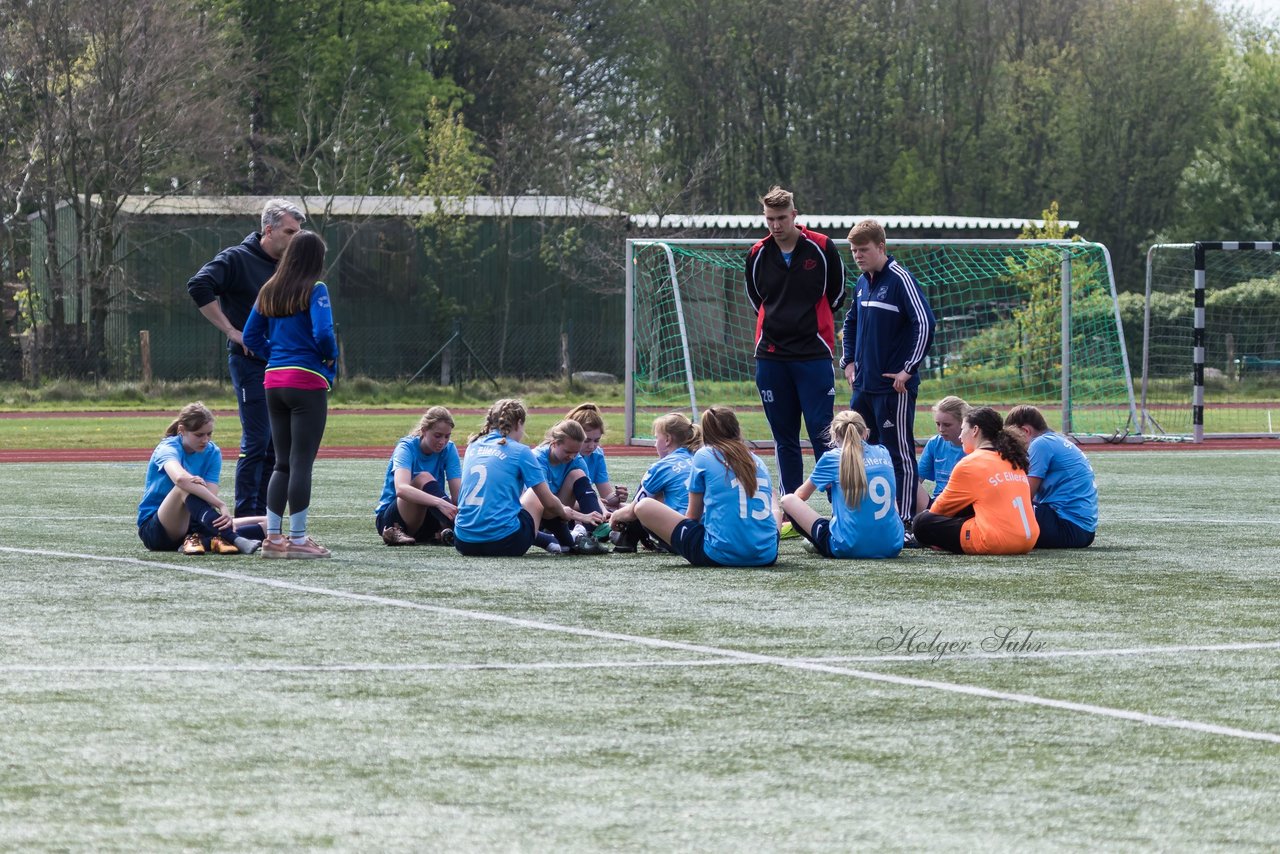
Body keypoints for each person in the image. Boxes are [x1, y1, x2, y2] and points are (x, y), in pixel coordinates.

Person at [187, 199, 305, 518]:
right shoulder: (237, 258)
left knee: (278, 445)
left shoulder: (290, 267)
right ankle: (244, 516)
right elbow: (199, 286)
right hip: (250, 364)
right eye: (290, 231)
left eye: (299, 232)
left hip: (284, 367)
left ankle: (267, 516)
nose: (296, 238)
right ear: (268, 229)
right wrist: (231, 330)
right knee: (257, 439)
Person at [745, 186, 846, 497]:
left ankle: (836, 504)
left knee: (822, 434)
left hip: (813, 354)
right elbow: (756, 298)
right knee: (784, 438)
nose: (776, 226)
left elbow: (837, 295)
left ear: (795, 215)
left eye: (781, 218)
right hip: (771, 357)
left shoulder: (822, 246)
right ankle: (790, 510)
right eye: (770, 219)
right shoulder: (757, 253)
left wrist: (807, 322)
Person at [241, 230, 337, 559]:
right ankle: (298, 540)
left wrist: (275, 355)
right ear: (315, 259)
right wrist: (328, 357)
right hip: (306, 379)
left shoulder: (269, 290)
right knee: (301, 463)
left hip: (272, 381)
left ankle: (273, 539)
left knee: (281, 463)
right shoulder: (315, 289)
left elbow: (251, 336)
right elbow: (324, 333)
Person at [840, 218, 935, 528]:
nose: (858, 255)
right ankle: (864, 515)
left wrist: (908, 370)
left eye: (863, 249)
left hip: (893, 389)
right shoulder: (861, 281)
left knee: (899, 454)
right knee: (858, 450)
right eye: (853, 250)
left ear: (881, 247)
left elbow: (925, 323)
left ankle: (906, 521)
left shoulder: (900, 279)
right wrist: (849, 361)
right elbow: (850, 323)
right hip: (863, 387)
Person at [632, 406, 780, 567]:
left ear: (706, 433)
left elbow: (693, 517)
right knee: (773, 501)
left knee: (644, 506)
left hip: (719, 554)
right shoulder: (758, 460)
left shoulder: (704, 455)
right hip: (767, 555)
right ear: (737, 429)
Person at [453, 399, 581, 557]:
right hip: (504, 543)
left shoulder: (472, 446)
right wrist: (566, 512)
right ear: (519, 423)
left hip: (463, 542)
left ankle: (548, 540)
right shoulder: (521, 451)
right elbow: (548, 503)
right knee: (537, 495)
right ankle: (569, 542)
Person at [137, 402, 265, 555]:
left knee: (269, 523)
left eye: (209, 434)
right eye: (199, 435)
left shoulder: (213, 452)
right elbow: (180, 479)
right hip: (157, 530)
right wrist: (220, 505)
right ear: (182, 430)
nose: (205, 440)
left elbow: (209, 494)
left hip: (195, 523)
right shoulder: (167, 448)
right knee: (183, 488)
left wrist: (218, 513)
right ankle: (232, 538)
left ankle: (202, 540)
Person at [912, 406, 1039, 555]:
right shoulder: (1013, 459)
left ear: (975, 430)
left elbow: (938, 510)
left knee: (922, 523)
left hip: (996, 541)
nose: (960, 437)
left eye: (963, 429)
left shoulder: (970, 463)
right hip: (1029, 540)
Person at [780, 410, 903, 559]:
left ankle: (818, 542)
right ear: (865, 433)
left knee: (787, 500)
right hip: (893, 545)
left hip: (848, 546)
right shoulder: (883, 452)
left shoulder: (831, 458)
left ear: (834, 435)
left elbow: (800, 495)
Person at [1004, 405, 1099, 548]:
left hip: (1067, 527)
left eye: (1014, 439)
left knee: (1004, 505)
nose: (1014, 446)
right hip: (1082, 531)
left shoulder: (1040, 444)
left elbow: (1025, 495)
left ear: (1025, 431)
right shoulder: (1057, 440)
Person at [609, 412, 700, 553]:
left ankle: (626, 540)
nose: (655, 443)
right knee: (659, 495)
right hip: (706, 533)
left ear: (668, 439)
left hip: (683, 536)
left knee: (643, 502)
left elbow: (633, 512)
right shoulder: (699, 459)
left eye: (657, 438)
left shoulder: (662, 466)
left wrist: (614, 516)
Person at [375, 406, 463, 547]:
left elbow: (458, 495)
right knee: (423, 478)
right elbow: (401, 489)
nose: (443, 441)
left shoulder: (449, 449)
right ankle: (456, 527)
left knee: (460, 499)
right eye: (437, 435)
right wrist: (440, 503)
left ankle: (452, 529)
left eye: (447, 436)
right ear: (424, 431)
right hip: (393, 520)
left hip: (427, 516)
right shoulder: (406, 447)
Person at [532, 420, 610, 555]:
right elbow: (546, 503)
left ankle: (595, 530)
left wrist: (603, 512)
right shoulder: (537, 458)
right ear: (554, 443)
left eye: (576, 452)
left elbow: (588, 493)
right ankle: (563, 533)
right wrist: (583, 516)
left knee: (577, 474)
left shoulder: (576, 459)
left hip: (559, 511)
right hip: (537, 514)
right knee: (545, 500)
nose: (572, 456)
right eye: (568, 451)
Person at [565, 403, 627, 510]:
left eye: (597, 440)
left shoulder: (597, 455)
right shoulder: (564, 456)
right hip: (559, 510)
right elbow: (554, 501)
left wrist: (618, 496)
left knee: (622, 508)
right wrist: (591, 504)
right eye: (587, 440)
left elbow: (606, 495)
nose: (592, 446)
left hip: (581, 507)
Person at [916, 395, 969, 511]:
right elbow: (917, 479)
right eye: (938, 424)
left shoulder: (975, 446)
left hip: (965, 505)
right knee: (909, 482)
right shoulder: (935, 443)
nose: (941, 429)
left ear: (963, 423)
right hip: (938, 503)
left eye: (947, 425)